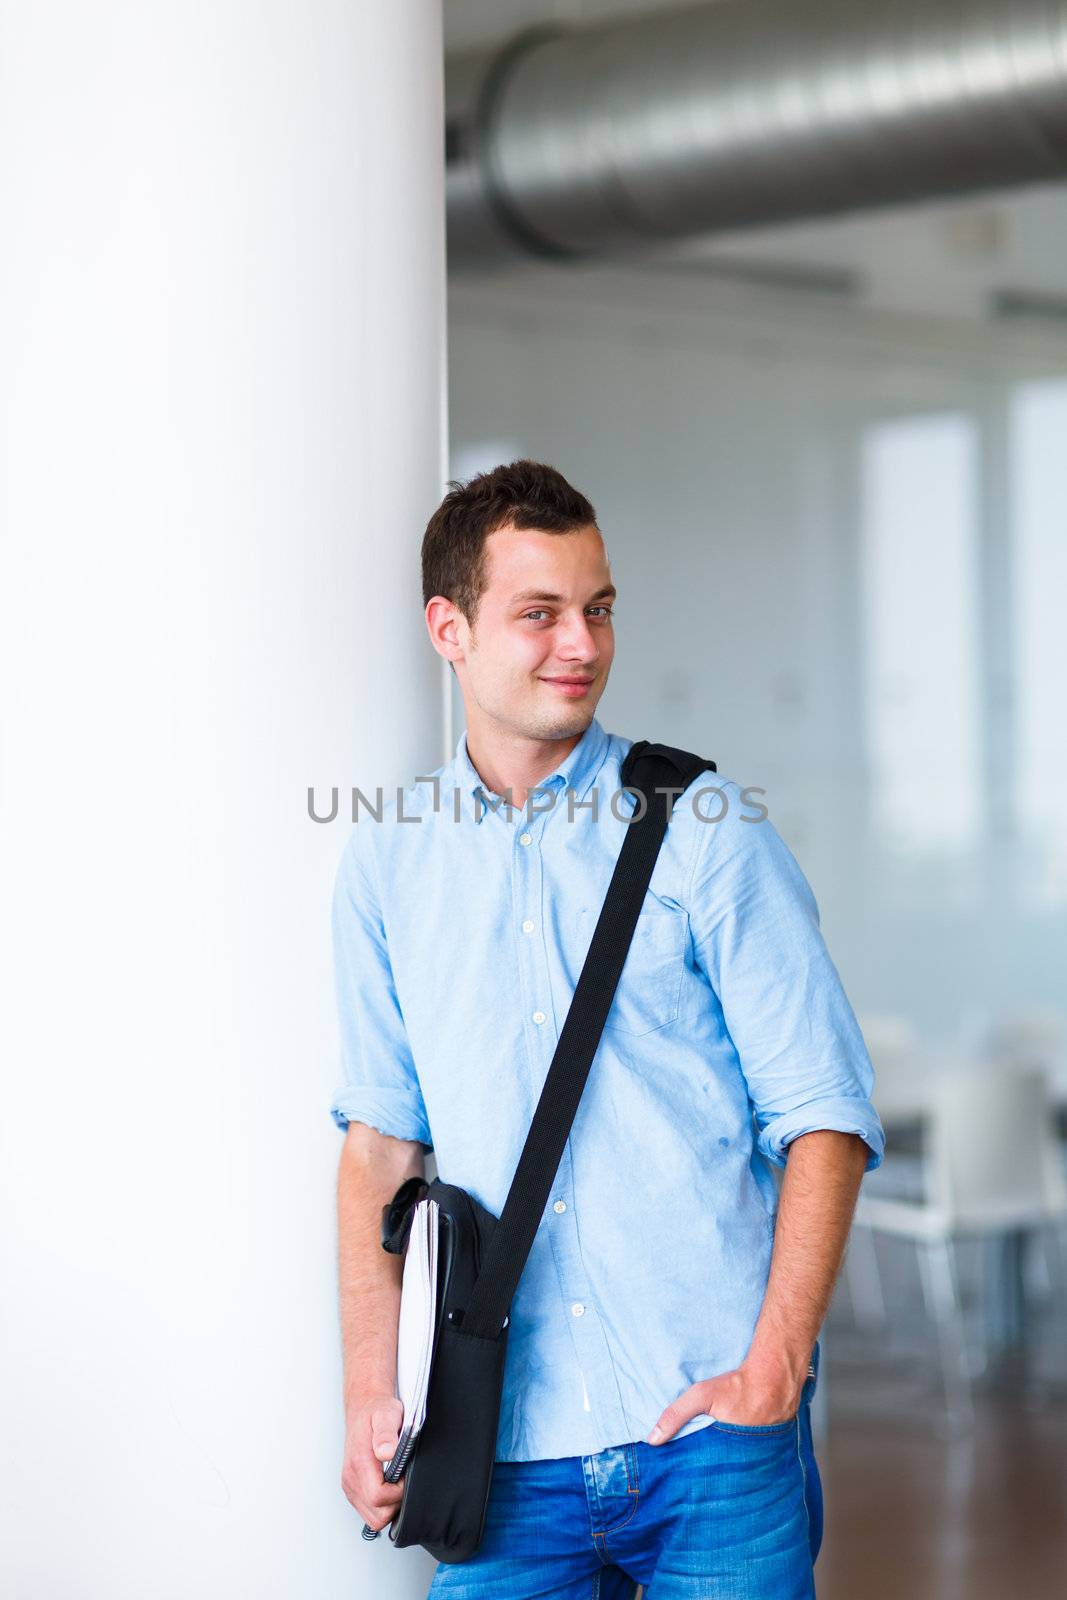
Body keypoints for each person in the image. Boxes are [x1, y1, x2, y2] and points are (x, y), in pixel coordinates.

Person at [331, 459, 885, 1599]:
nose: (578, 643)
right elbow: (378, 1151)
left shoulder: (709, 831)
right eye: (537, 614)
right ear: (450, 628)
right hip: (500, 1446)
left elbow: (821, 1113)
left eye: (597, 607)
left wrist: (772, 1373)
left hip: (708, 1439)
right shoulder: (390, 859)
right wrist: (367, 1392)